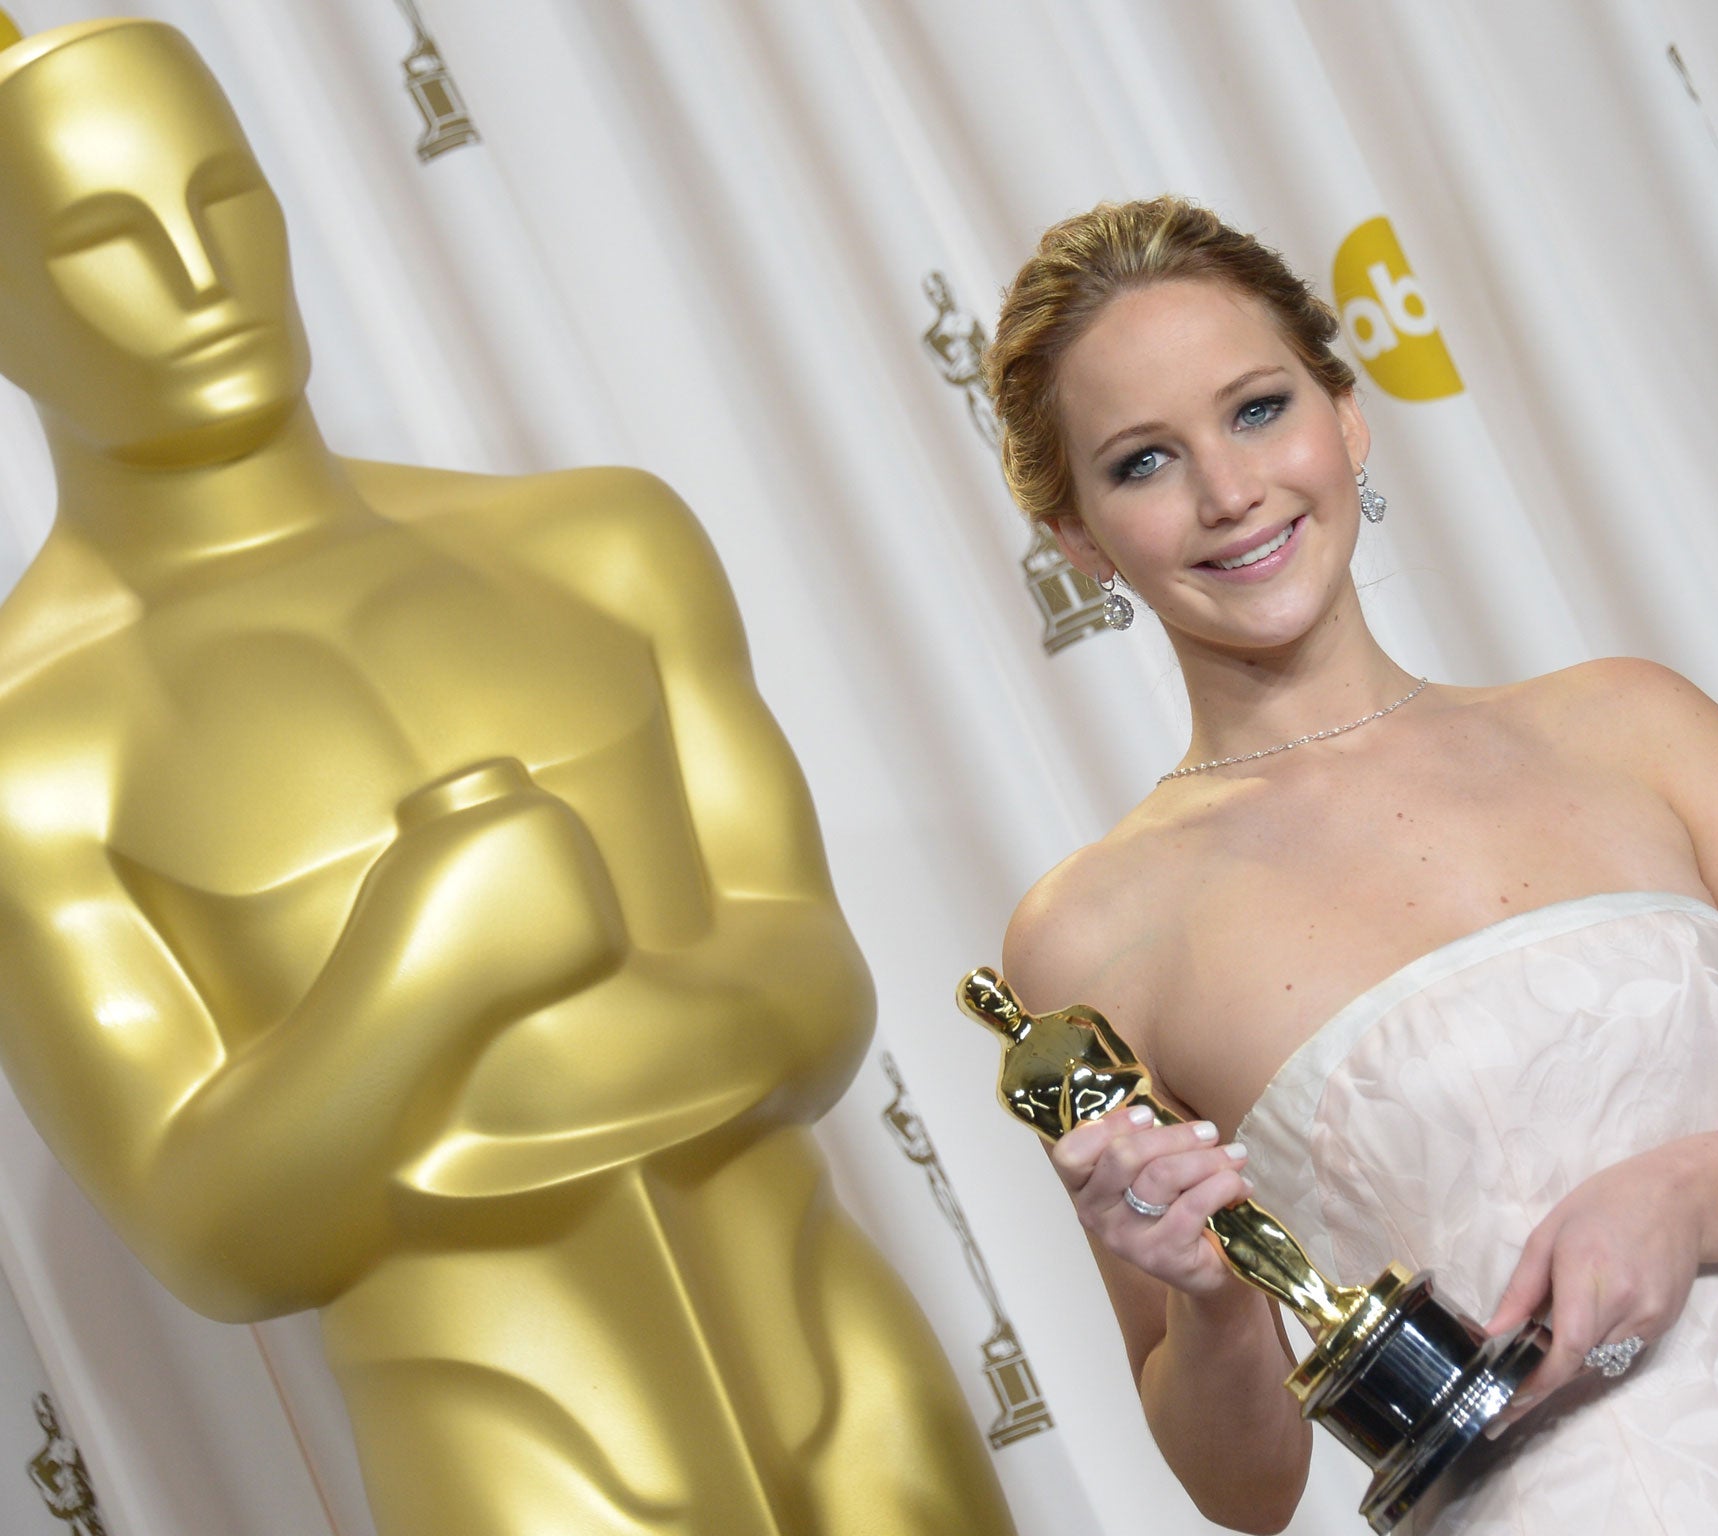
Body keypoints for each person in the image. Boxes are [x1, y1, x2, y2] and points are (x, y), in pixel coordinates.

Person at [0, 18, 1012, 1535]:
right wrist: (425, 972)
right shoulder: (35, 750)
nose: (200, 276)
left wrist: (438, 1098)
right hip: (509, 1445)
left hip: (851, 1379)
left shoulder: (599, 549)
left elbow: (821, 994)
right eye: (102, 237)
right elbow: (215, 1235)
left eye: (226, 201)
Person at [981, 195, 1718, 1534]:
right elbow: (1241, 1491)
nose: (1228, 489)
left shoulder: (1630, 729)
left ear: (1345, 414)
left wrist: (1687, 1194)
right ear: (1080, 539)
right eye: (1142, 461)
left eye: (1257, 409)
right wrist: (1207, 1307)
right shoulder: (1091, 930)